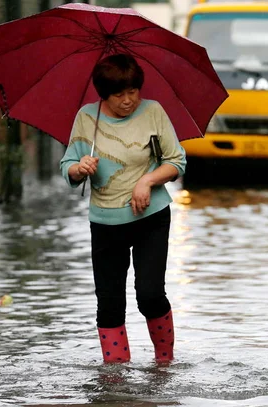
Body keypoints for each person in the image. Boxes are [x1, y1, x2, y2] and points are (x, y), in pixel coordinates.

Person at [60, 54, 186, 363]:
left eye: (133, 92)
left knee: (150, 294)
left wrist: (147, 180)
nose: (128, 100)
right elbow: (68, 167)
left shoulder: (153, 111)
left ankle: (164, 365)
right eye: (119, 94)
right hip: (105, 222)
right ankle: (115, 379)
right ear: (103, 94)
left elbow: (176, 161)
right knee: (110, 303)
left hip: (151, 217)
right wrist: (80, 167)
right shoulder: (86, 118)